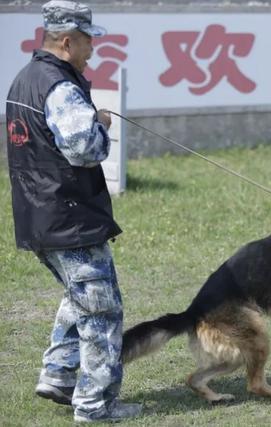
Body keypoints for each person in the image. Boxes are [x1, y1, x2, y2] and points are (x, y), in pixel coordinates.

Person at [5, 1, 141, 422]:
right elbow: (84, 149)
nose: (92, 51)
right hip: (69, 217)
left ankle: (59, 375)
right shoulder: (59, 85)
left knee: (79, 297)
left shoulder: (25, 78)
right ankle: (95, 405)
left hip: (40, 213)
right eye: (87, 42)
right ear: (67, 41)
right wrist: (100, 122)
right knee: (102, 309)